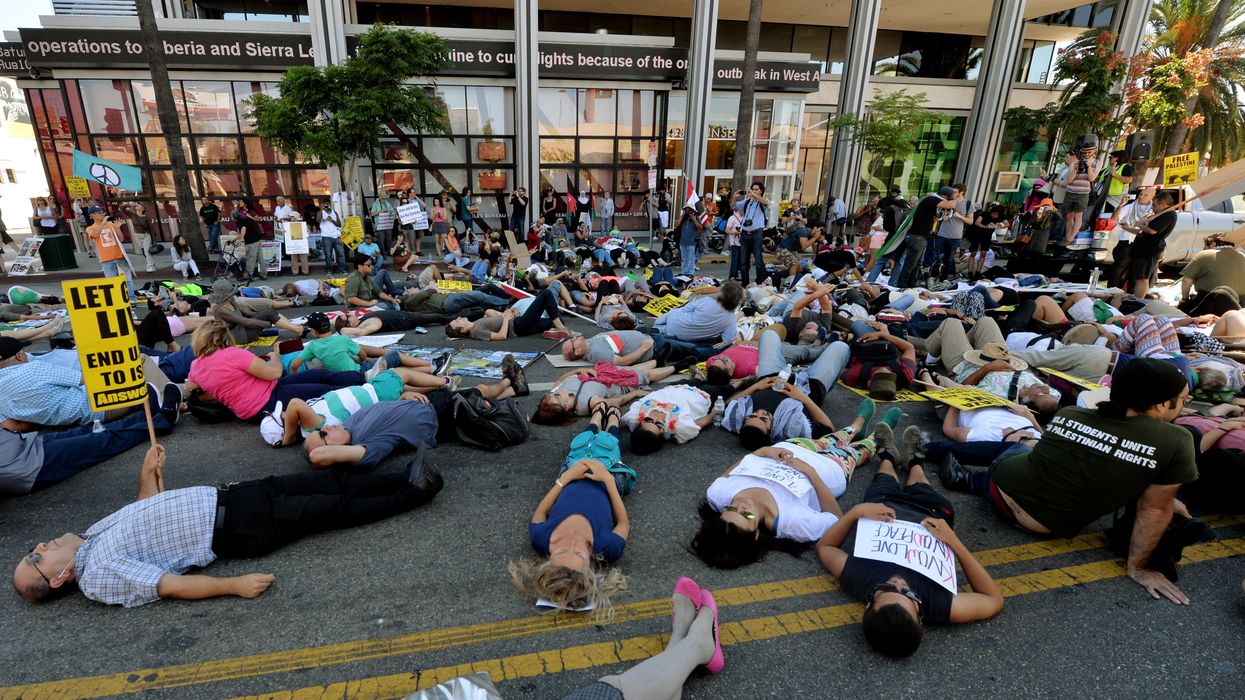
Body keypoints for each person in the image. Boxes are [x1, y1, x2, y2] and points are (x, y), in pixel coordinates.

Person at [12, 442, 442, 606]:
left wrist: (147, 471)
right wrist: (234, 585)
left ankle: (402, 475)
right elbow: (169, 585)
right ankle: (416, 491)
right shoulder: (98, 577)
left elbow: (145, 510)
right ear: (57, 579)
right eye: (37, 557)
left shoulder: (90, 539)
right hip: (236, 526)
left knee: (328, 480)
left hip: (232, 496)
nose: (41, 545)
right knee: (330, 507)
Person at [938, 359, 1199, 604]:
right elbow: (1152, 507)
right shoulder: (1178, 440)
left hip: (1002, 490)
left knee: (1025, 445)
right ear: (1162, 404)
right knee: (1022, 443)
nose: (1186, 402)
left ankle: (950, 463)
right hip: (1040, 519)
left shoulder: (1073, 413)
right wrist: (1139, 568)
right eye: (1183, 398)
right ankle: (969, 478)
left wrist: (1163, 500)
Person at [816, 455, 1004, 658]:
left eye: (887, 588)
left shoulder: (860, 579)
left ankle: (887, 456)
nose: (898, 581)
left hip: (883, 504)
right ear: (920, 616)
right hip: (930, 511)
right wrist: (954, 542)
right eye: (909, 593)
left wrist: (856, 511)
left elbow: (825, 546)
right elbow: (992, 599)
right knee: (920, 484)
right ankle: (914, 460)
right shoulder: (938, 605)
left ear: (869, 603)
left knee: (884, 478)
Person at [691, 406, 889, 570]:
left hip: (790, 448)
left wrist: (764, 451)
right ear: (757, 533)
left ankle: (856, 425)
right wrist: (811, 472)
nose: (741, 506)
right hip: (828, 469)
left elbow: (740, 464)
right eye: (747, 516)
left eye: (731, 509)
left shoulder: (717, 494)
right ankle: (874, 438)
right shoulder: (793, 523)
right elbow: (836, 518)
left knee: (829, 439)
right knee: (858, 450)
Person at [510, 405, 630, 615]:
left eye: (563, 551)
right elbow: (623, 524)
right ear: (590, 563)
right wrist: (608, 480)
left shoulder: (541, 539)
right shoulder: (606, 547)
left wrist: (564, 478)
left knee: (580, 445)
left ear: (548, 559)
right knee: (608, 446)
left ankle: (596, 415)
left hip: (570, 476)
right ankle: (613, 419)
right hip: (608, 477)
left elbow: (540, 514)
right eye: (579, 553)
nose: (573, 544)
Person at [1, 383, 180, 496]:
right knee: (101, 442)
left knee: (92, 431)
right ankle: (163, 420)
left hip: (26, 444)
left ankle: (147, 416)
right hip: (29, 466)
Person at [185, 321, 363, 422]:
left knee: (314, 375)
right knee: (323, 389)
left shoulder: (196, 366)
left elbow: (193, 392)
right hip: (266, 400)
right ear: (223, 338)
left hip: (255, 403)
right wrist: (275, 356)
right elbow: (275, 373)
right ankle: (365, 386)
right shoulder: (233, 354)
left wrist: (223, 390)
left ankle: (362, 378)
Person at [721, 330, 863, 447]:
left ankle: (813, 348)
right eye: (764, 419)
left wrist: (757, 386)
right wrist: (802, 397)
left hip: (772, 376)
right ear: (771, 431)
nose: (760, 412)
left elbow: (727, 404)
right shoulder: (791, 429)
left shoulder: (737, 419)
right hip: (811, 385)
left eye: (753, 415)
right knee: (841, 347)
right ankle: (818, 348)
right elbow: (828, 428)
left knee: (769, 334)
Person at [290, 311, 441, 376]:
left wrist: (295, 377)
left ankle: (430, 367)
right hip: (360, 372)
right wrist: (365, 359)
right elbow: (361, 354)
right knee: (395, 357)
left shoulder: (313, 346)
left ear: (314, 332)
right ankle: (430, 365)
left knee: (393, 369)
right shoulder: (342, 339)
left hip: (344, 376)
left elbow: (294, 366)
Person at [302, 399, 439, 469]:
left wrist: (402, 397)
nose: (326, 427)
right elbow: (317, 456)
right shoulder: (367, 446)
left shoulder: (347, 425)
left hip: (426, 400)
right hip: (442, 415)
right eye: (323, 435)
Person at [532, 362, 675, 425]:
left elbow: (559, 379)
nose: (556, 391)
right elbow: (617, 402)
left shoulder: (558, 389)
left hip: (608, 373)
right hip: (622, 383)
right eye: (556, 396)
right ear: (566, 407)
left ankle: (659, 360)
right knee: (647, 375)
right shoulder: (590, 403)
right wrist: (635, 393)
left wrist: (578, 371)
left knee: (632, 368)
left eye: (550, 394)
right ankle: (677, 366)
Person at [445, 287, 576, 341]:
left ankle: (554, 330)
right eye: (457, 322)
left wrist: (506, 313)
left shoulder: (476, 324)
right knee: (546, 294)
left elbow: (496, 321)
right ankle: (559, 329)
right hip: (519, 325)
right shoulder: (476, 331)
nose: (458, 318)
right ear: (461, 329)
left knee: (557, 319)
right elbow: (501, 336)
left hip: (518, 322)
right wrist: (507, 319)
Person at [621, 383, 715, 455]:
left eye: (648, 420)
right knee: (721, 380)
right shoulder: (679, 428)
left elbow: (621, 416)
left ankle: (698, 376)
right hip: (701, 396)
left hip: (673, 387)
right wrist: (714, 413)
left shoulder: (634, 417)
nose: (656, 418)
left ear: (639, 423)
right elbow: (699, 424)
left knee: (697, 378)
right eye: (658, 424)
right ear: (662, 433)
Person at [894, 187, 956, 288]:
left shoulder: (931, 201)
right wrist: (958, 197)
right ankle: (902, 286)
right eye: (948, 198)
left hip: (921, 237)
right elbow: (950, 205)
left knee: (918, 264)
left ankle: (911, 285)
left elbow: (941, 214)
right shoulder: (931, 199)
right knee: (910, 265)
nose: (947, 200)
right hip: (917, 237)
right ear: (944, 196)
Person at [1119, 189, 1176, 297]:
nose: (1152, 208)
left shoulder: (1169, 215)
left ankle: (1139, 299)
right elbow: (1142, 233)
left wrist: (1139, 223)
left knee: (1142, 278)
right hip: (1141, 248)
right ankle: (1135, 296)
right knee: (1138, 277)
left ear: (1163, 204)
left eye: (1154, 205)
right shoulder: (1159, 214)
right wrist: (1127, 228)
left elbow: (1152, 231)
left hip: (1149, 251)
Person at [207, 280, 304, 344]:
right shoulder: (219, 309)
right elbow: (244, 321)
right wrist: (265, 324)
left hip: (242, 329)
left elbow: (247, 313)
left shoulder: (231, 301)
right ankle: (297, 329)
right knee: (268, 314)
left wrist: (266, 318)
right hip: (235, 336)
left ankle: (295, 328)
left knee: (268, 311)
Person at [84, 205, 136, 305]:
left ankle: (131, 299)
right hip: (106, 259)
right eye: (99, 213)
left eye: (103, 212)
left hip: (119, 256)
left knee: (127, 279)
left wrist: (117, 228)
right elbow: (94, 235)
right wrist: (103, 223)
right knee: (112, 282)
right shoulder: (90, 228)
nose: (102, 214)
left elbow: (121, 239)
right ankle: (118, 301)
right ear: (92, 215)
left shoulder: (111, 225)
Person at [1180, 242, 1245, 313]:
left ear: (1213, 244)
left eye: (1204, 246)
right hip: (1240, 304)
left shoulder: (1204, 255)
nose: (1203, 249)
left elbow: (1186, 281)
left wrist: (1185, 299)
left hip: (1211, 304)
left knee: (1183, 307)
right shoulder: (1242, 256)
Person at [933, 184, 971, 281]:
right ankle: (933, 276)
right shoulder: (947, 201)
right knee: (936, 257)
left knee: (949, 259)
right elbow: (938, 215)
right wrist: (942, 217)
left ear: (961, 192)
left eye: (955, 192)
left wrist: (959, 216)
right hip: (942, 233)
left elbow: (970, 221)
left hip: (955, 236)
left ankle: (944, 278)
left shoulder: (968, 203)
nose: (952, 193)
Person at [1063, 144, 1100, 243]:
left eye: (1089, 152)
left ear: (1094, 151)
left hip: (1083, 194)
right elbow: (1069, 180)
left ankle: (1071, 238)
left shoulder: (1097, 163)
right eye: (1084, 152)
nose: (1087, 154)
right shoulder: (1075, 163)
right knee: (1068, 216)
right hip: (1070, 192)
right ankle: (1067, 237)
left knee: (1078, 216)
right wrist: (1075, 169)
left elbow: (1092, 178)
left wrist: (1088, 167)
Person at [561, 331, 654, 366]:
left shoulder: (587, 343)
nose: (574, 338)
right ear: (578, 351)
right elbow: (622, 362)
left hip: (646, 336)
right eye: (572, 341)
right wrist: (644, 348)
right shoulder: (595, 353)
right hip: (652, 347)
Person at [738, 182, 770, 285]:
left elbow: (765, 203)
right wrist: (735, 197)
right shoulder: (747, 202)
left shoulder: (762, 201)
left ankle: (760, 283)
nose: (754, 191)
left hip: (757, 233)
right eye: (753, 189)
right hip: (744, 233)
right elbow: (733, 205)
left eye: (756, 189)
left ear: (761, 191)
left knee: (758, 260)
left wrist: (753, 194)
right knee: (743, 262)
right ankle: (745, 284)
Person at [273, 195, 307, 275]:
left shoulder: (288, 208)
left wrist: (283, 219)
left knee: (303, 256)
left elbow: (290, 218)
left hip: (296, 237)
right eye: (277, 201)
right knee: (293, 256)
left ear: (283, 201)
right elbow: (275, 215)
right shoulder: (277, 208)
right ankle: (295, 271)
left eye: (279, 201)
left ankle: (305, 271)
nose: (277, 202)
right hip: (283, 230)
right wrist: (276, 219)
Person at [120, 202, 157, 273]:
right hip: (137, 236)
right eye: (138, 204)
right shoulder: (132, 215)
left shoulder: (146, 218)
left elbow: (151, 229)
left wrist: (154, 240)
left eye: (140, 205)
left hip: (146, 235)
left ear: (143, 208)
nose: (138, 205)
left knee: (147, 251)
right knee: (144, 252)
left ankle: (151, 265)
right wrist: (129, 204)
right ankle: (151, 263)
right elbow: (122, 208)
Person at [234, 208, 266, 281]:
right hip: (258, 238)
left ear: (234, 217)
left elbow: (243, 229)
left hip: (251, 241)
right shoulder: (246, 219)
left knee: (251, 258)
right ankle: (263, 274)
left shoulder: (239, 221)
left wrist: (240, 239)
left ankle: (248, 275)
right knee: (260, 258)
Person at [318, 200, 345, 274]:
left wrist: (332, 220)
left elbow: (339, 224)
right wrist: (321, 210)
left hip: (336, 235)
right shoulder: (321, 212)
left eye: (328, 204)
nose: (327, 205)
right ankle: (329, 270)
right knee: (328, 254)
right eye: (325, 204)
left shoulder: (334, 212)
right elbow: (317, 220)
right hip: (326, 236)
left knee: (341, 254)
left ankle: (342, 270)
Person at [676, 205, 704, 276]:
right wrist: (682, 216)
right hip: (683, 241)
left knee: (691, 258)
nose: (688, 211)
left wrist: (694, 220)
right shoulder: (683, 218)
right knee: (684, 258)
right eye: (686, 210)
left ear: (693, 211)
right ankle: (684, 271)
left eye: (689, 210)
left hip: (691, 242)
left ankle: (690, 272)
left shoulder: (696, 217)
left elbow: (700, 227)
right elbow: (677, 224)